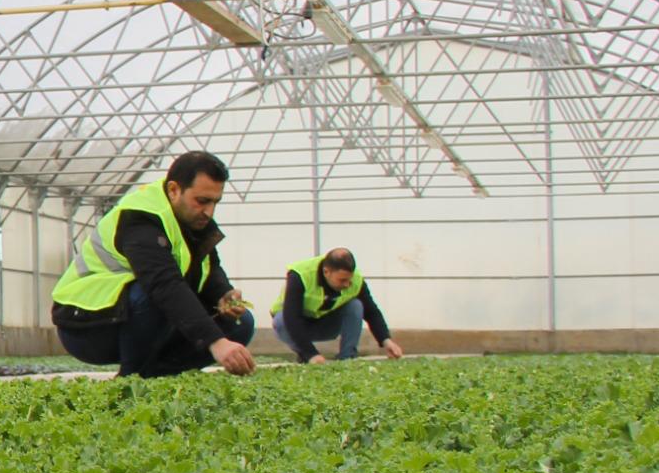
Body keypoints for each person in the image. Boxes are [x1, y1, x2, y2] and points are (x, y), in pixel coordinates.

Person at [51, 151, 257, 379]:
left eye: (215, 202)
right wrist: (216, 342)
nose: (209, 211)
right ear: (174, 190)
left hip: (137, 317)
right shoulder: (140, 217)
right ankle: (132, 381)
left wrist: (223, 294)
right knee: (154, 295)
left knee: (240, 323)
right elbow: (164, 284)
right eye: (202, 201)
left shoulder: (193, 218)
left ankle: (157, 377)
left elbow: (209, 266)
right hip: (88, 325)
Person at [272, 247, 404, 364]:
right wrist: (311, 354)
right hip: (292, 326)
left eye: (349, 279)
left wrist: (386, 340)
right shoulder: (300, 275)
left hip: (327, 324)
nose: (347, 284)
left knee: (355, 305)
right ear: (326, 272)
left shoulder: (356, 279)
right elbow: (292, 318)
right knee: (281, 320)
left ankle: (347, 358)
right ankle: (305, 356)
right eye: (342, 280)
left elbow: (371, 311)